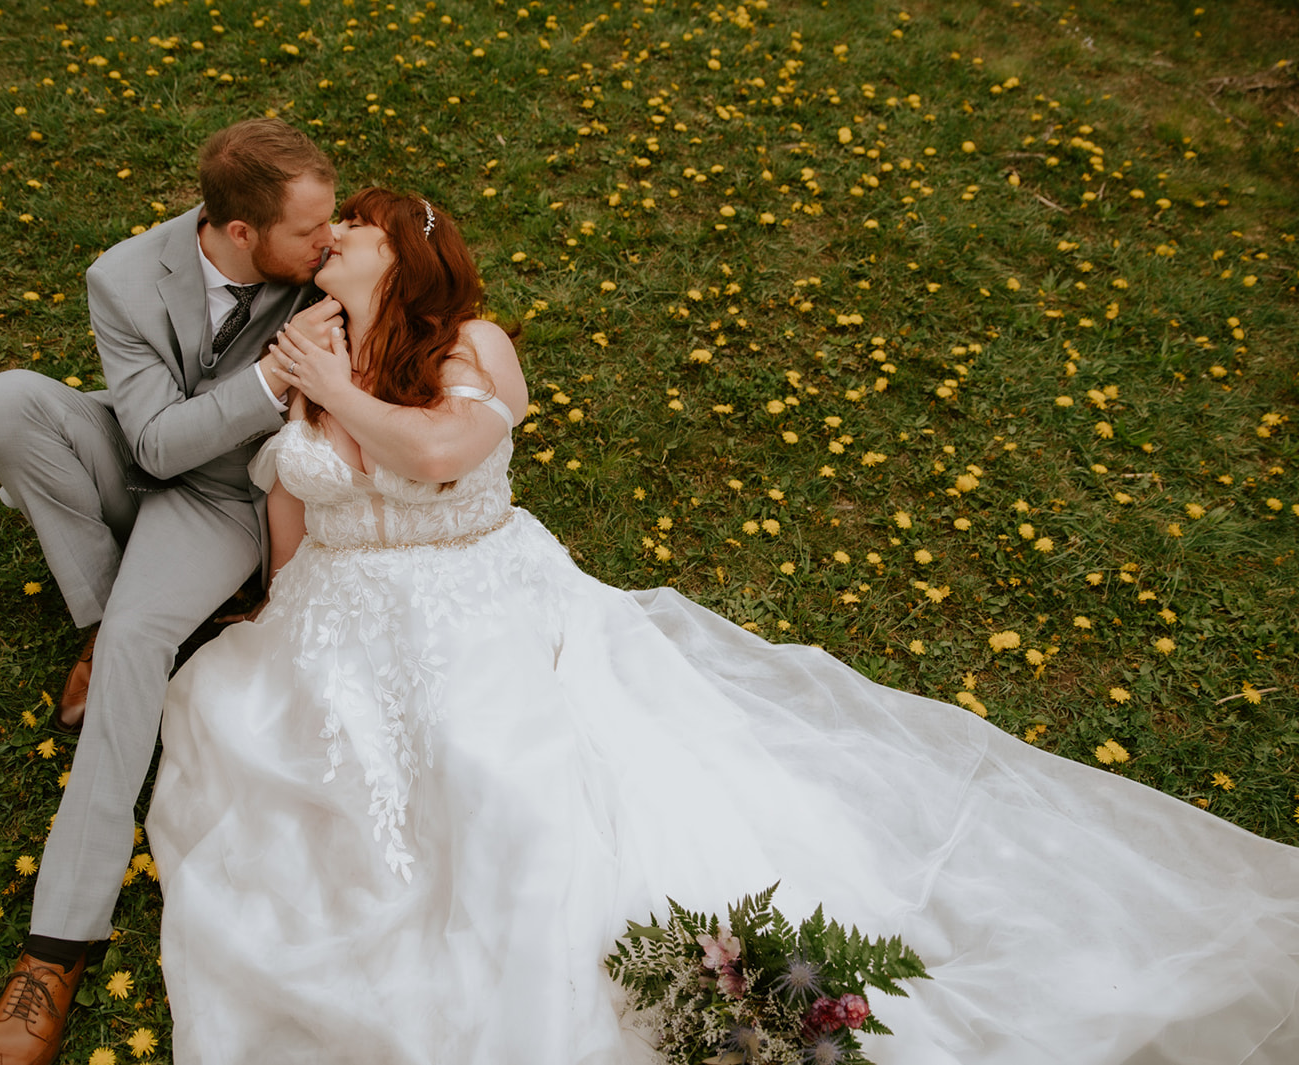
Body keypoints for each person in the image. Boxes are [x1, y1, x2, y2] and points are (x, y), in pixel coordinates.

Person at [146, 189, 1299, 1065]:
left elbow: (442, 454)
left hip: (480, 598)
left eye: (351, 228)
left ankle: (736, 996)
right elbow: (288, 497)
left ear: (405, 251)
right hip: (335, 614)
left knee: (500, 776)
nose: (330, 240)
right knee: (285, 769)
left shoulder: (470, 347)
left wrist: (335, 383)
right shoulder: (303, 353)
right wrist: (277, 597)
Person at [0, 119, 343, 1065]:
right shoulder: (125, 275)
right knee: (9, 400)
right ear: (240, 231)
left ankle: (55, 949)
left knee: (143, 638)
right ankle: (96, 615)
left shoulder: (323, 274)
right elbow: (153, 444)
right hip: (150, 451)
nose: (326, 242)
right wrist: (268, 375)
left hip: (222, 501)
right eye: (308, 231)